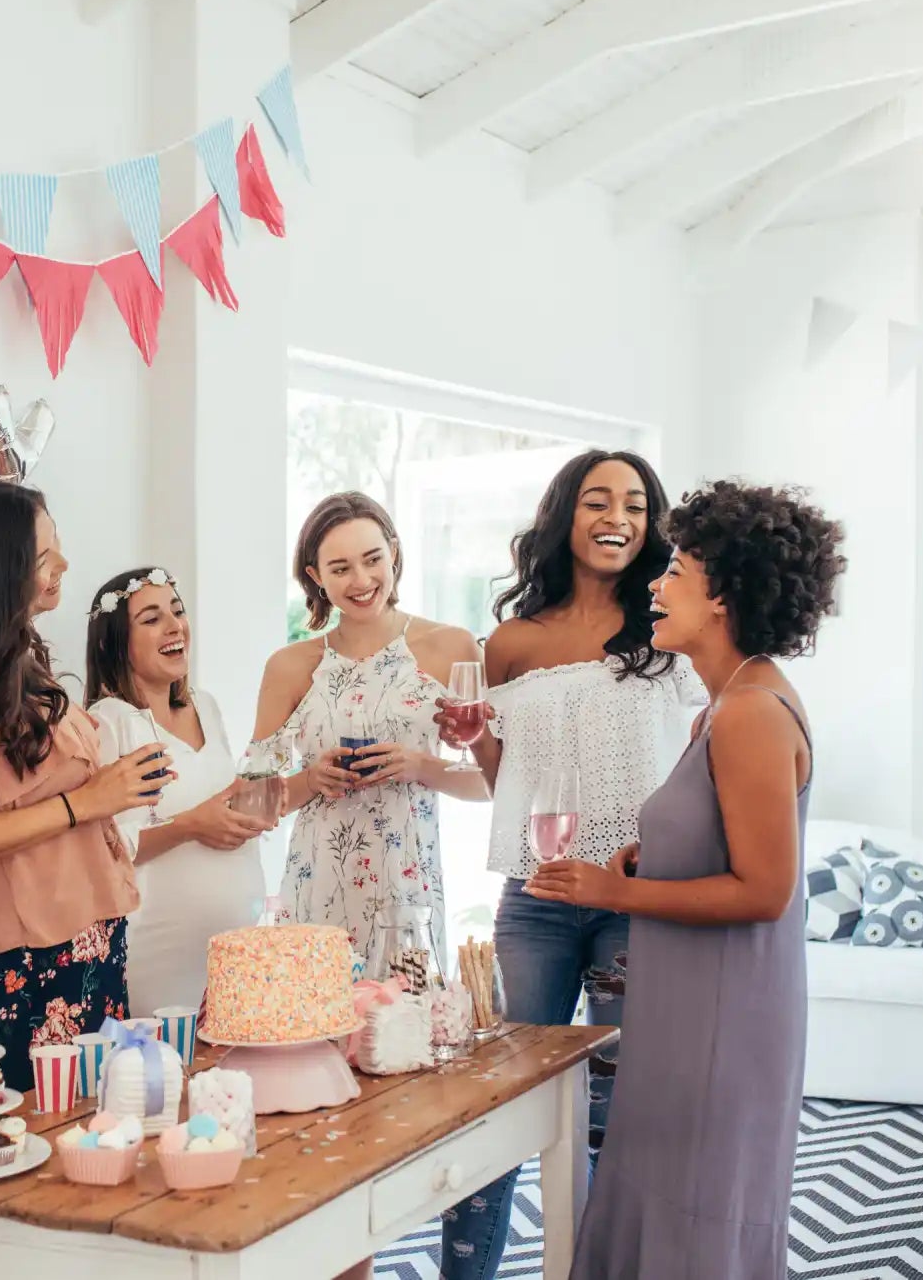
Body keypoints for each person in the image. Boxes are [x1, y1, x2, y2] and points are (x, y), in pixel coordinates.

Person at [527, 480, 842, 1278]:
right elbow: (718, 837)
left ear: (727, 595)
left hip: (723, 1020)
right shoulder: (721, 706)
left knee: (699, 1204)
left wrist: (616, 891)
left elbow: (765, 889)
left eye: (676, 573)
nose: (657, 588)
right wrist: (649, 854)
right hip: (690, 1005)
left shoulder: (751, 713)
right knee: (666, 1191)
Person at [433, 449, 706, 1280]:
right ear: (567, 516)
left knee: (615, 1115)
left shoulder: (672, 630)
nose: (615, 515)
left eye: (633, 502)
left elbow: (703, 759)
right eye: (596, 500)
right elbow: (503, 779)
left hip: (636, 896)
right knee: (502, 1101)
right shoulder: (512, 641)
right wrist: (476, 735)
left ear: (651, 523)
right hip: (538, 896)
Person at [0, 480, 166, 1092]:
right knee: (52, 1152)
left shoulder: (17, 660)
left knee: (99, 1140)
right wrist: (86, 802)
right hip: (37, 961)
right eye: (45, 557)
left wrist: (113, 787)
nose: (65, 565)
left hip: (88, 943)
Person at [254, 491, 490, 980]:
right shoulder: (291, 665)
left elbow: (493, 782)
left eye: (372, 559)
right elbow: (250, 803)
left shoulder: (451, 646)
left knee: (404, 1042)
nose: (361, 581)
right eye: (340, 568)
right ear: (315, 576)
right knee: (315, 1046)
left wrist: (421, 766)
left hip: (409, 899)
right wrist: (311, 780)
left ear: (395, 553)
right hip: (314, 894)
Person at [83, 567, 272, 1017]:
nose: (174, 626)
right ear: (115, 642)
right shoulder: (108, 721)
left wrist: (275, 793)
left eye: (177, 611)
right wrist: (190, 826)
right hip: (158, 951)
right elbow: (104, 850)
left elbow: (219, 796)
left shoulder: (205, 706)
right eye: (150, 619)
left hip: (235, 951)